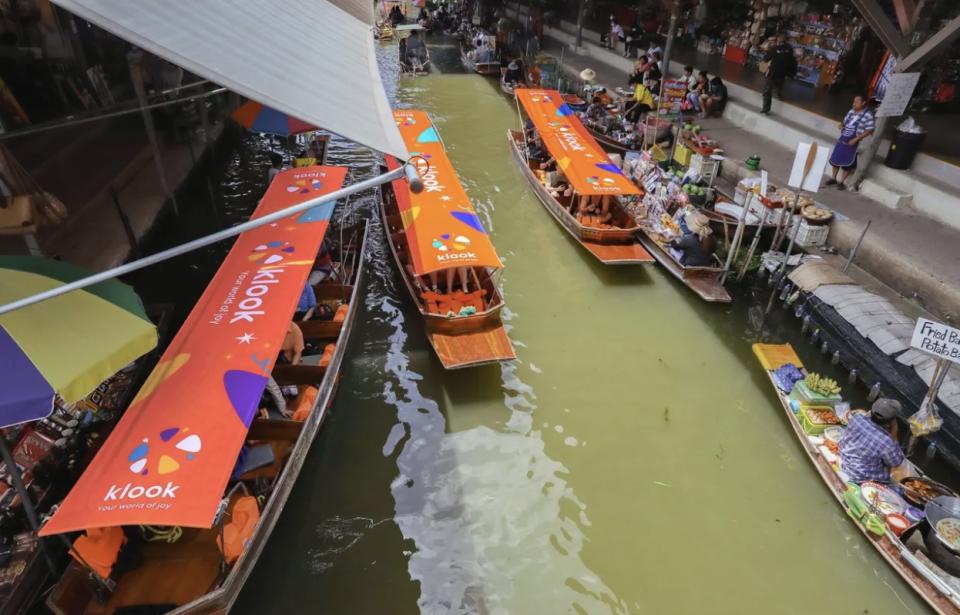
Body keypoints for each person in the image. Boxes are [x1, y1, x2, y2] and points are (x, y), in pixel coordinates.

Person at [838, 398, 905, 484]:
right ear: (890, 422)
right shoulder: (886, 442)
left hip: (844, 460)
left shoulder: (857, 419)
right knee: (893, 473)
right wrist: (894, 435)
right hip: (859, 476)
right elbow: (896, 462)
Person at [826, 95, 876, 190]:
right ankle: (833, 178)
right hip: (843, 138)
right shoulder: (851, 112)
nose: (854, 104)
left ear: (863, 103)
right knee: (836, 158)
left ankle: (841, 182)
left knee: (848, 163)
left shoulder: (868, 115)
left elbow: (870, 130)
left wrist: (856, 139)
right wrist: (841, 125)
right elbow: (844, 122)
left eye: (856, 102)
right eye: (854, 102)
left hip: (854, 141)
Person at [760, 35, 797, 115]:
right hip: (783, 73)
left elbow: (765, 59)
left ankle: (765, 109)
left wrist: (767, 50)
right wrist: (791, 74)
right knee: (779, 85)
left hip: (773, 73)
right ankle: (779, 95)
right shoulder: (789, 49)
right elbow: (793, 61)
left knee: (767, 91)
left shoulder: (774, 49)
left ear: (777, 41)